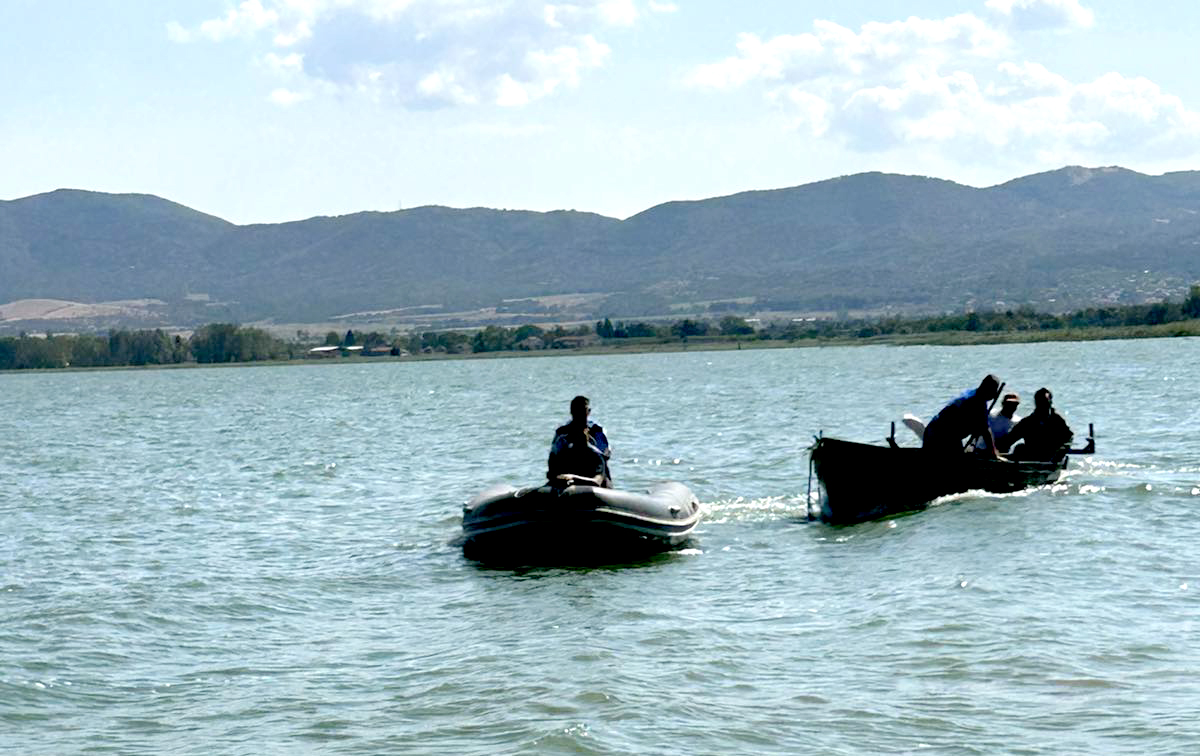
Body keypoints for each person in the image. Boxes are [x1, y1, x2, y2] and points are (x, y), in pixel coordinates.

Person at [922, 374, 1004, 459]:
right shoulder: (976, 401)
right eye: (993, 391)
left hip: (935, 433)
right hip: (941, 436)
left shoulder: (972, 394)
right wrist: (993, 453)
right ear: (986, 388)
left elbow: (972, 423)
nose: (994, 395)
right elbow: (985, 430)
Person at [546, 395, 612, 488]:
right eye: (576, 411)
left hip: (595, 473)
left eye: (582, 411)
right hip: (569, 471)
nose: (579, 414)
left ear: (588, 412)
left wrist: (585, 449)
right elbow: (553, 459)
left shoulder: (597, 431)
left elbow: (604, 457)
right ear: (571, 412)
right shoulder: (562, 433)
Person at [999, 387, 1073, 461]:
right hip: (1032, 457)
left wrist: (1062, 449)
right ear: (1036, 403)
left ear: (1050, 403)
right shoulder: (1028, 422)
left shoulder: (1057, 421)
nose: (1043, 406)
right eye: (1040, 403)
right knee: (1020, 448)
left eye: (1045, 402)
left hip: (1051, 457)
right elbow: (1008, 440)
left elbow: (1068, 438)